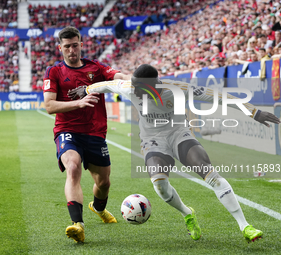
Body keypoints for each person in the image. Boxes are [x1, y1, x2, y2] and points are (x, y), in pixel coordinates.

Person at [68, 64, 281, 243]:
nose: (136, 90)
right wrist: (86, 90)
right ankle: (188, 214)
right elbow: (104, 85)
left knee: (210, 174)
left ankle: (245, 226)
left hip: (179, 134)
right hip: (153, 142)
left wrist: (254, 111)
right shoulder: (129, 87)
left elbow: (219, 97)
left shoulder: (176, 89)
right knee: (159, 184)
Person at [42, 26, 131, 243]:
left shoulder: (95, 68)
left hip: (95, 132)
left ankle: (98, 208)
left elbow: (117, 76)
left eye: (75, 45)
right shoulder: (54, 72)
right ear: (60, 48)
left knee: (104, 183)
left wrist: (132, 79)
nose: (71, 50)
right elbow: (50, 106)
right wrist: (79, 102)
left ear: (81, 44)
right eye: (67, 47)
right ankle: (77, 225)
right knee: (72, 167)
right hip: (67, 130)